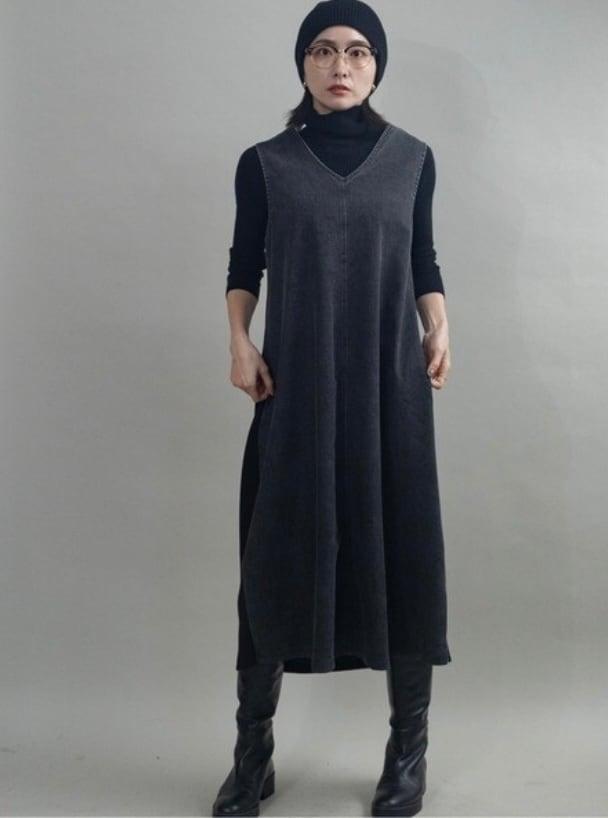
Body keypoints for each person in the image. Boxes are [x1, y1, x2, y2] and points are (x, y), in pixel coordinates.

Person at [213, 1, 452, 815]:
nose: (340, 65)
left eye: (356, 52)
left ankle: (407, 753)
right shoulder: (265, 164)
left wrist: (440, 324)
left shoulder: (413, 159)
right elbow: (244, 263)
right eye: (322, 50)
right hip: (296, 387)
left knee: (405, 551)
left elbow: (423, 256)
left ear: (376, 67)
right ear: (303, 65)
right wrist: (240, 341)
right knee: (274, 555)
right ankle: (252, 756)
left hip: (390, 389)